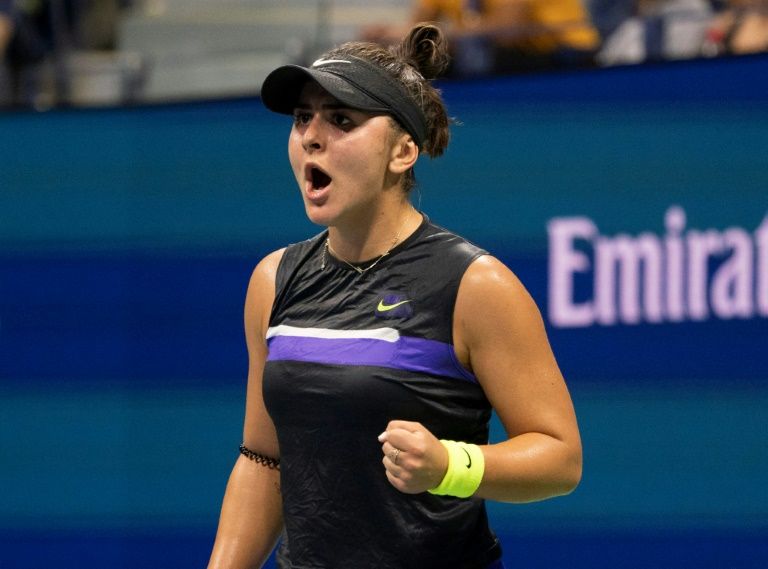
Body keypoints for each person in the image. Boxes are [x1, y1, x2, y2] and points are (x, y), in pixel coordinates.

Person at [208, 23, 582, 569]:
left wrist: (450, 466)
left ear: (403, 151)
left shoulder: (475, 286)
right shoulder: (274, 280)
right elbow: (264, 458)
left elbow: (560, 458)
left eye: (341, 120)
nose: (312, 136)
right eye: (302, 119)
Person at [362, 0, 601, 76]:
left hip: (567, 54)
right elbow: (419, 25)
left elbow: (505, 29)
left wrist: (443, 36)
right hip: (512, 53)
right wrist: (388, 33)